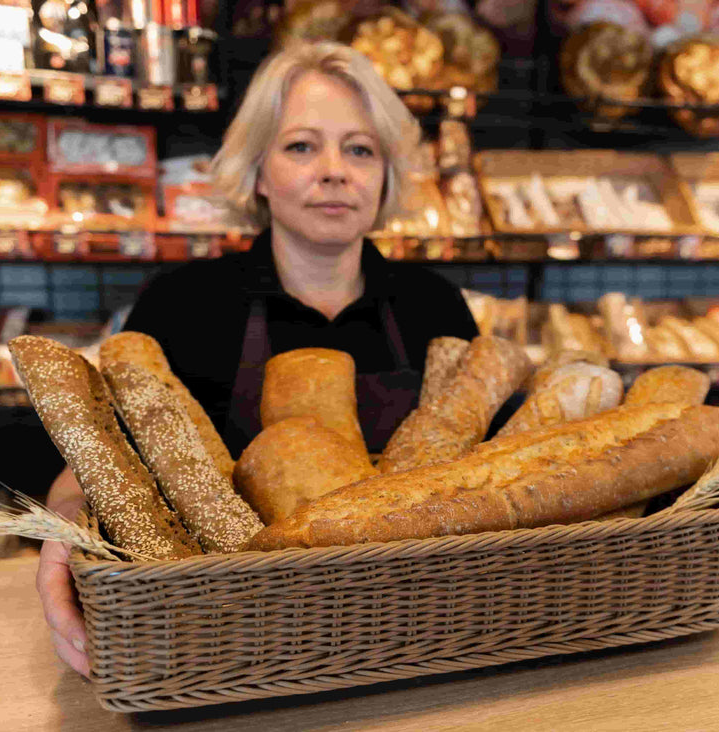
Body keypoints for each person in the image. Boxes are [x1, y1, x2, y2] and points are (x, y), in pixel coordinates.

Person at [38, 41, 479, 676]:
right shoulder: (183, 304)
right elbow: (97, 463)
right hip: (225, 635)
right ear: (259, 171)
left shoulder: (432, 307)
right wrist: (66, 534)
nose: (335, 170)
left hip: (413, 628)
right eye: (301, 146)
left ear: (386, 174)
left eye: (360, 149)